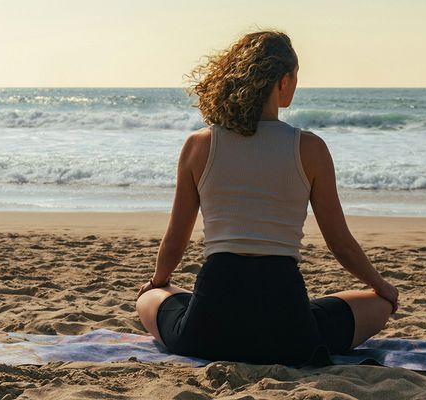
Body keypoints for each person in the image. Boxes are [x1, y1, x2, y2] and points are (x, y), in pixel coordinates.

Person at [136, 30, 399, 367]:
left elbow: (176, 239)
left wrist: (158, 282)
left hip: (208, 328)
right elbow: (341, 244)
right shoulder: (310, 148)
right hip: (288, 329)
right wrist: (382, 286)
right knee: (377, 304)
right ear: (284, 81)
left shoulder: (199, 145)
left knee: (152, 299)